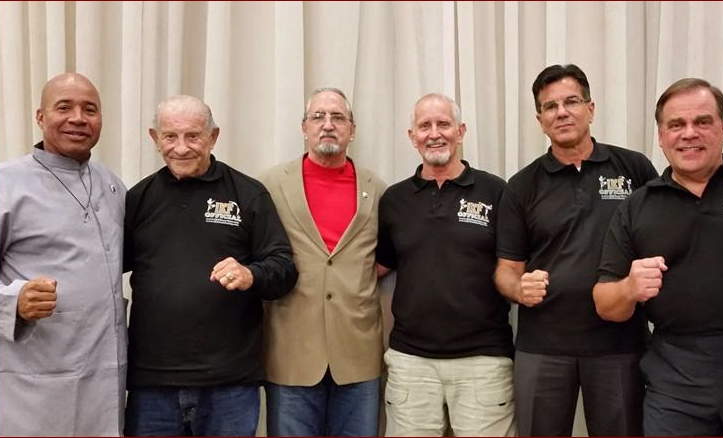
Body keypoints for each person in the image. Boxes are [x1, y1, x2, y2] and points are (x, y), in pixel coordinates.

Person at [593, 78, 723, 436]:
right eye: (676, 125)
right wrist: (629, 288)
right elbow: (605, 304)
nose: (689, 133)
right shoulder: (637, 207)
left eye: (702, 122)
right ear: (660, 136)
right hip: (676, 374)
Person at [494, 63, 658, 436]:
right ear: (540, 120)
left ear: (590, 108)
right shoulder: (521, 185)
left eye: (571, 101)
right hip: (543, 347)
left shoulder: (634, 168)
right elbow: (506, 269)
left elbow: (660, 240)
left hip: (620, 343)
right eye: (550, 106)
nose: (562, 112)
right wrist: (518, 289)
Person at [124, 95, 298, 436]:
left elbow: (284, 269)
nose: (181, 147)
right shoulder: (138, 198)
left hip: (229, 385)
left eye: (193, 136)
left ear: (213, 137)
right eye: (170, 136)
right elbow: (104, 266)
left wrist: (251, 274)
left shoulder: (248, 194)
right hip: (152, 385)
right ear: (155, 138)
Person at [0, 72, 127, 436]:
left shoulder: (112, 185)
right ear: (40, 117)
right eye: (64, 107)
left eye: (90, 109)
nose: (78, 119)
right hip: (33, 384)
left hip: (104, 380)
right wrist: (13, 300)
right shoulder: (3, 184)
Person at [376, 93, 515, 436]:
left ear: (461, 131)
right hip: (411, 362)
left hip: (483, 361)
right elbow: (378, 266)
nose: (434, 133)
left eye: (444, 124)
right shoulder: (393, 200)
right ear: (412, 136)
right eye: (425, 126)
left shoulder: (495, 192)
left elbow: (514, 264)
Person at [258, 87, 387, 436]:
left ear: (352, 130)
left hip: (358, 353)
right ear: (304, 127)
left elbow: (389, 254)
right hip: (291, 353)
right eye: (318, 117)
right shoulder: (269, 185)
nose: (328, 125)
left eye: (338, 117)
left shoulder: (377, 190)